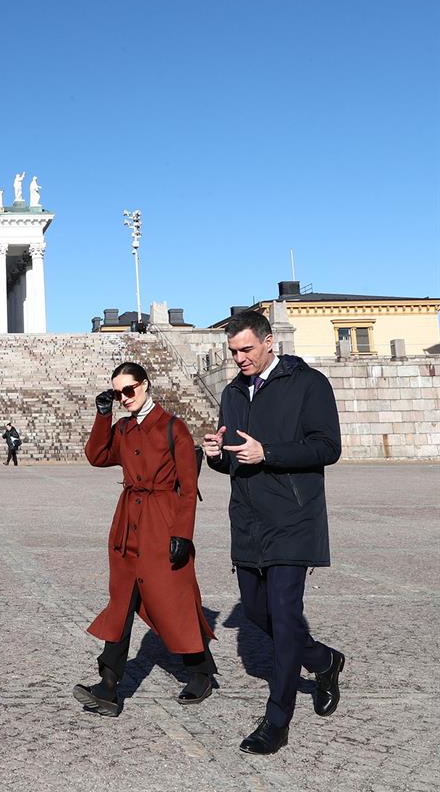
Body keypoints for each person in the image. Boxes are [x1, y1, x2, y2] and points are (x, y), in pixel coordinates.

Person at [202, 311, 344, 756]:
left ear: (268, 343)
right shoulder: (231, 392)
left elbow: (328, 447)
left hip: (293, 519)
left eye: (246, 349)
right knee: (261, 616)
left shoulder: (309, 383)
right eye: (233, 352)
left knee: (284, 618)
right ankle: (324, 661)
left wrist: (270, 453)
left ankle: (277, 719)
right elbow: (232, 458)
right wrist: (214, 455)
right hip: (247, 521)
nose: (239, 358)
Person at [75, 361, 216, 717]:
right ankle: (108, 688)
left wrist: (182, 533)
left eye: (128, 390)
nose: (123, 398)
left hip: (163, 522)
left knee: (172, 600)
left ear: (146, 385)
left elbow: (188, 487)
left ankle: (201, 672)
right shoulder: (122, 427)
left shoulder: (174, 427)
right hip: (127, 524)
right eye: (117, 393)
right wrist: (102, 416)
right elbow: (96, 456)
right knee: (121, 602)